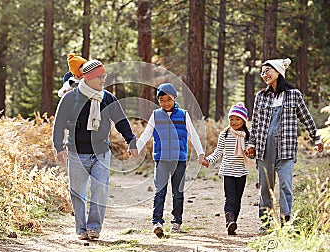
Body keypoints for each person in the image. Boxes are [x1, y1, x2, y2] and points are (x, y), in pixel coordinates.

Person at [53, 59, 138, 240]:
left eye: (104, 77)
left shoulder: (107, 98)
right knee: (78, 192)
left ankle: (94, 228)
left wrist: (131, 141)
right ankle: (81, 229)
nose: (103, 81)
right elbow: (59, 125)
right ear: (89, 77)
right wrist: (59, 148)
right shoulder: (70, 98)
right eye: (100, 77)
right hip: (76, 153)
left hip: (101, 152)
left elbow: (121, 121)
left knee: (100, 190)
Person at [245, 58, 324, 233]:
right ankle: (266, 222)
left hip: (286, 148)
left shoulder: (294, 95)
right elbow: (256, 124)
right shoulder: (261, 97)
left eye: (268, 71)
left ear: (279, 72)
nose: (264, 74)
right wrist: (251, 144)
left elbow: (306, 118)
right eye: (262, 72)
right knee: (266, 187)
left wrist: (316, 138)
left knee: (285, 185)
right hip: (265, 149)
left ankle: (286, 222)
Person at [136, 83, 205, 237]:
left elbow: (193, 135)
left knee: (178, 192)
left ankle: (177, 221)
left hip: (179, 160)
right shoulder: (155, 115)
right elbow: (146, 134)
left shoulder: (183, 115)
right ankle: (157, 222)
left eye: (168, 99)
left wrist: (200, 153)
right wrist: (136, 148)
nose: (165, 103)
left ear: (174, 98)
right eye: (161, 100)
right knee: (159, 192)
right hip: (161, 159)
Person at [201, 103, 255, 235]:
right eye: (231, 119)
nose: (234, 122)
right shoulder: (225, 134)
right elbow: (218, 152)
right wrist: (208, 160)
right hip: (228, 171)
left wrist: (251, 154)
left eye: (237, 119)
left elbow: (252, 153)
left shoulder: (247, 136)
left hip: (241, 172)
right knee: (230, 198)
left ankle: (233, 224)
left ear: (244, 120)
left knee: (238, 199)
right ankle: (229, 221)